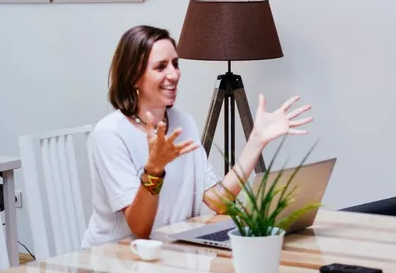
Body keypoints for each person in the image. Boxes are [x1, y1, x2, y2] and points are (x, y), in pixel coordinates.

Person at [81, 25, 312, 248]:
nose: (174, 74)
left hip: (171, 250)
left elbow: (217, 201)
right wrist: (154, 171)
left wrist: (256, 141)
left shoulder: (183, 122)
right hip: (115, 260)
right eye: (160, 67)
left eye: (175, 64)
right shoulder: (110, 134)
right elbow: (140, 229)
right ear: (133, 77)